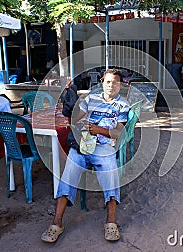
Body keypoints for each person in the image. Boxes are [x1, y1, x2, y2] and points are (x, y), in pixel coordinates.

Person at [41, 69, 130, 243]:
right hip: (84, 145)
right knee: (68, 176)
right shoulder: (91, 99)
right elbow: (74, 117)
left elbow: (118, 132)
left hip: (104, 148)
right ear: (102, 83)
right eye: (108, 82)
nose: (111, 86)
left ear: (121, 86)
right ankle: (56, 223)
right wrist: (68, 93)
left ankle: (111, 222)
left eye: (116, 82)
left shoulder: (123, 105)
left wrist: (99, 130)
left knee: (111, 176)